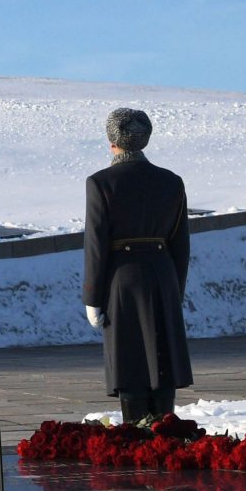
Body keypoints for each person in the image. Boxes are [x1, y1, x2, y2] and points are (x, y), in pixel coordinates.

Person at [82, 108, 192, 423]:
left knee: (129, 359)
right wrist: (176, 288)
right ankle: (165, 429)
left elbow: (96, 244)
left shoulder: (101, 182)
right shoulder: (171, 182)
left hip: (123, 278)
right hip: (163, 273)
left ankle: (135, 431)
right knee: (162, 358)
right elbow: (180, 243)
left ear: (111, 140)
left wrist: (92, 297)